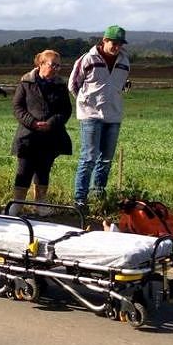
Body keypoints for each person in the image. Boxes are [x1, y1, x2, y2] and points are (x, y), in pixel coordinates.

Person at [67, 25, 130, 207]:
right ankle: (80, 200)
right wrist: (86, 103)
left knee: (106, 159)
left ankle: (97, 197)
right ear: (104, 41)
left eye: (120, 44)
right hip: (91, 115)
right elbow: (73, 84)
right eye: (113, 43)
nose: (117, 47)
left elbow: (121, 85)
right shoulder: (88, 59)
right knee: (89, 158)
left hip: (113, 115)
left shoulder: (125, 61)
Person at [10, 50, 73, 214]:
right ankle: (17, 203)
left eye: (58, 66)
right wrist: (33, 123)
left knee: (44, 170)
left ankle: (40, 204)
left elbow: (66, 110)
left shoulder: (60, 86)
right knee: (24, 169)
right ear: (41, 64)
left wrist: (51, 123)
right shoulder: (26, 83)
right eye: (53, 65)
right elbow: (17, 107)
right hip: (27, 135)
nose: (56, 69)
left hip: (51, 136)